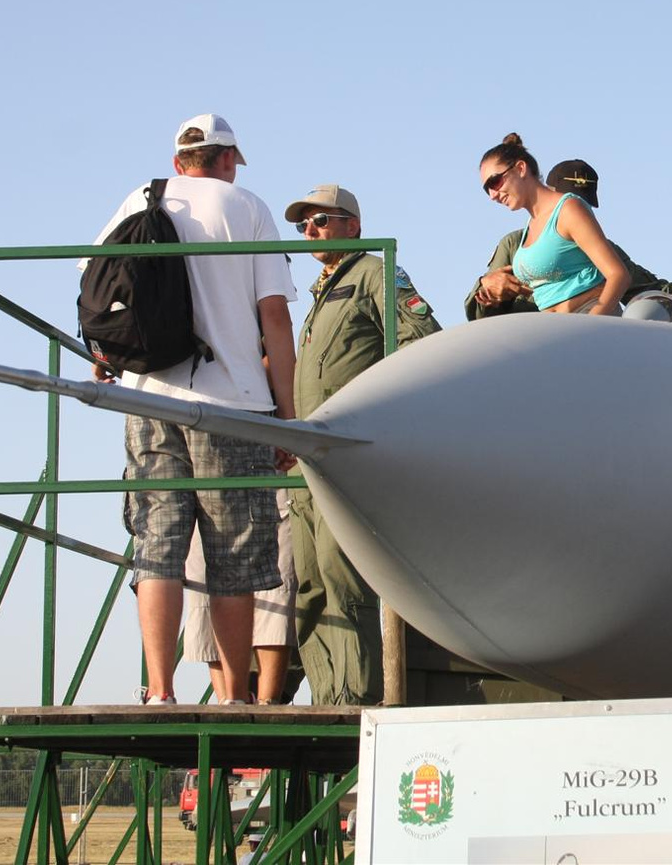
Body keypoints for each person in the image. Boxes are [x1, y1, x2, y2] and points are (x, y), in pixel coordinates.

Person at [91, 114, 297, 704]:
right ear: (227, 160)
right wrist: (287, 416)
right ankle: (235, 694)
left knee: (157, 543)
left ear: (182, 162)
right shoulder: (246, 206)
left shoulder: (142, 196)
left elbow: (93, 280)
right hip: (232, 400)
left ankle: (158, 690)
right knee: (233, 550)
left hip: (147, 393)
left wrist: (109, 356)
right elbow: (275, 317)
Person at [283, 183, 441, 704]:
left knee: (341, 573)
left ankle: (353, 699)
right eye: (304, 224)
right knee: (308, 583)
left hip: (346, 455)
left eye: (322, 221)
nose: (311, 231)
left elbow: (422, 340)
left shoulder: (375, 273)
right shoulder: (321, 292)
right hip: (306, 457)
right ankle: (328, 697)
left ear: (353, 225)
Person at [466, 159, 672, 319]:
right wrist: (485, 284)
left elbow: (650, 288)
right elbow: (478, 314)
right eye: (569, 198)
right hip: (528, 344)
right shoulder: (514, 246)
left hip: (581, 333)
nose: (578, 211)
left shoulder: (599, 247)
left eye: (583, 203)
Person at [478, 135, 630, 315]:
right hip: (554, 331)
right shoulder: (531, 225)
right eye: (487, 189)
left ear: (520, 168)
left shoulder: (568, 209)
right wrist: (488, 282)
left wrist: (590, 323)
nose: (492, 195)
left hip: (585, 325)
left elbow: (618, 275)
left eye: (494, 182)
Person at [183, 494, 297, 704]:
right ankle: (228, 701)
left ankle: (266, 704)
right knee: (206, 585)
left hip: (266, 472)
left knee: (275, 585)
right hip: (198, 478)